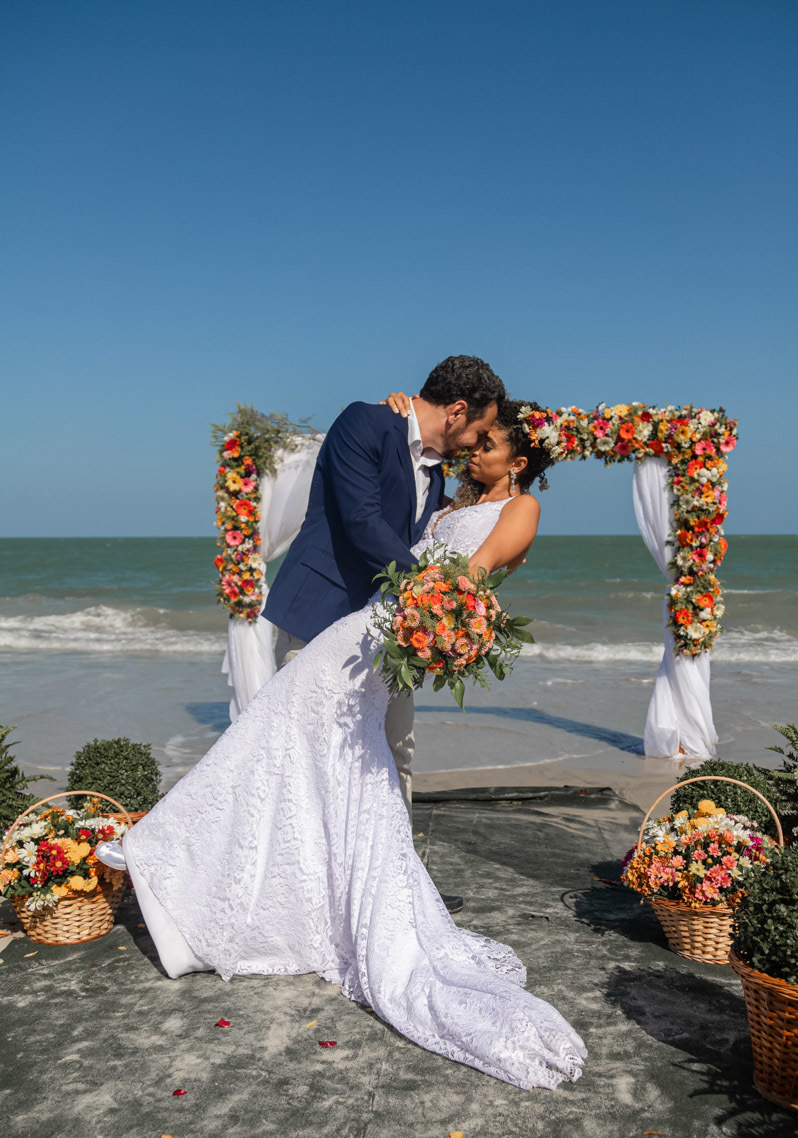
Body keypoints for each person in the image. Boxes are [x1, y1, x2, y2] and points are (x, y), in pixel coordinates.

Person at [99, 398, 587, 1092]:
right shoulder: (446, 499)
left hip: (392, 629)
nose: (473, 452)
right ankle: (254, 887)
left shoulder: (523, 509)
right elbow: (402, 514)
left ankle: (173, 859)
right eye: (473, 440)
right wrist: (403, 415)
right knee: (296, 750)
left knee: (293, 741)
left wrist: (439, 618)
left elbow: (466, 581)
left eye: (489, 445)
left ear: (521, 460)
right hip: (370, 627)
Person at [265, 355, 505, 833]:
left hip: (386, 634)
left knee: (396, 750)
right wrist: (432, 591)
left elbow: (436, 529)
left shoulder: (436, 469)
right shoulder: (365, 422)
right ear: (457, 411)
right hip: (318, 618)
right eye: (482, 429)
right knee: (310, 757)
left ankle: (397, 889)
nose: (479, 441)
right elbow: (361, 522)